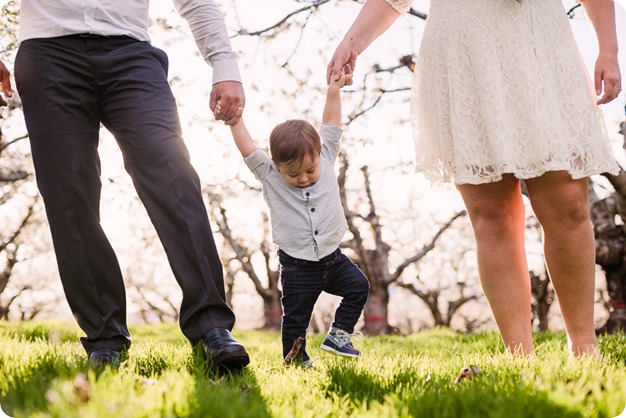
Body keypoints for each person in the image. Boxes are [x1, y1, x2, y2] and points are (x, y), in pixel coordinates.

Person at [327, 0, 622, 358]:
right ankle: (519, 358)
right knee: (491, 215)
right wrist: (352, 43)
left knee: (570, 206)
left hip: (538, 43)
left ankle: (584, 346)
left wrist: (608, 48)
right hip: (463, 51)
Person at [0, 0, 250, 370]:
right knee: (68, 193)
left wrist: (224, 64)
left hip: (131, 52)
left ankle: (211, 324)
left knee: (173, 176)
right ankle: (104, 335)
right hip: (48, 53)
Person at [222, 65, 370, 365]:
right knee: (296, 318)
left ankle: (339, 335)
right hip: (297, 266)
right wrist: (235, 122)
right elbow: (248, 150)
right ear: (277, 166)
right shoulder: (269, 175)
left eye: (309, 171)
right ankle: (295, 360)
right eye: (293, 174)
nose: (303, 178)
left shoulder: (327, 154)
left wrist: (333, 89)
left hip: (332, 257)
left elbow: (331, 122)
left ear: (319, 156)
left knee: (359, 286)